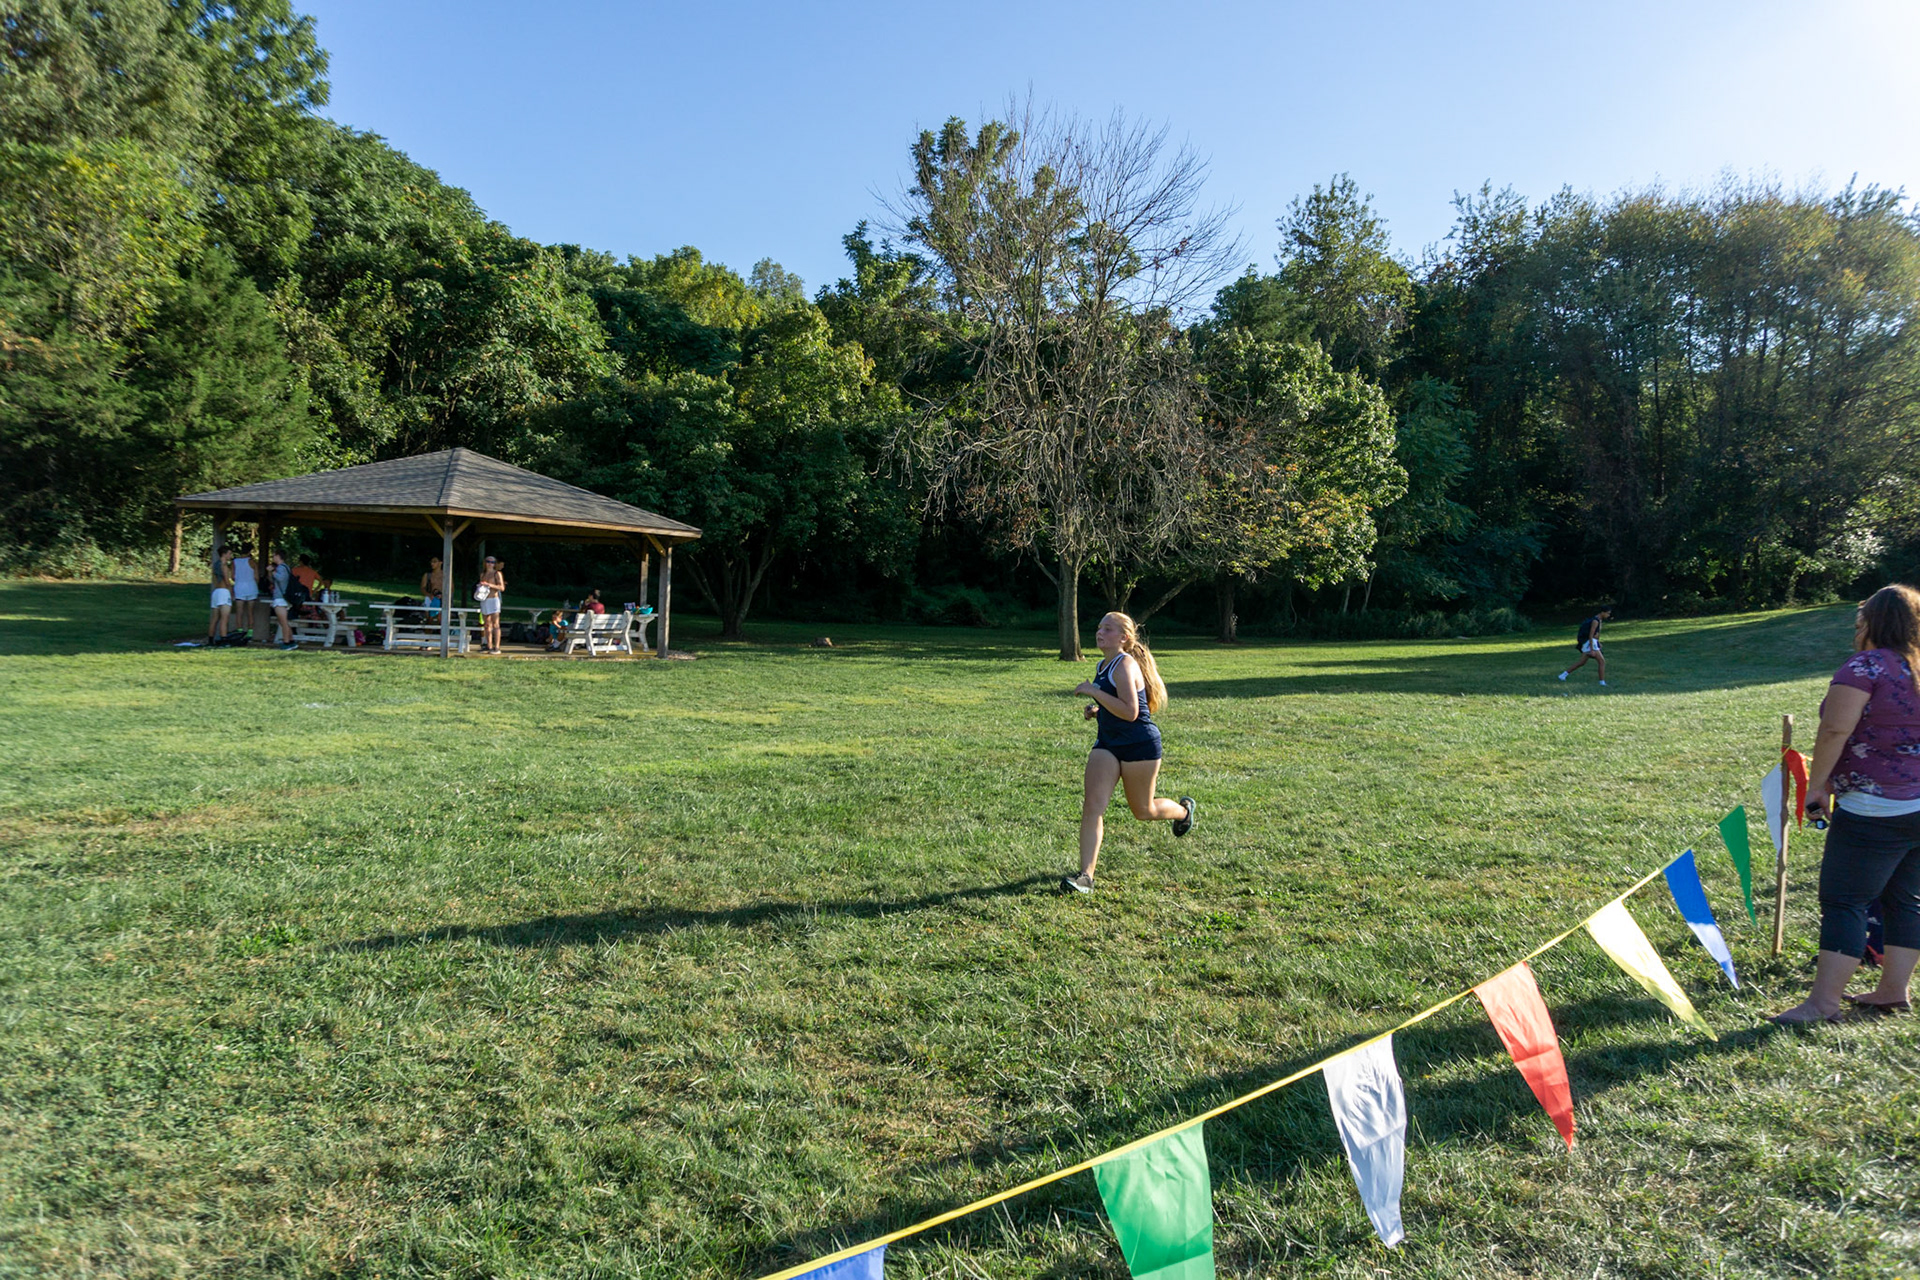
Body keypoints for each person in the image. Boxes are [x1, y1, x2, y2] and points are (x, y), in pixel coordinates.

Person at [1773, 584, 1920, 1024]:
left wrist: (1817, 786)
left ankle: (1822, 1004)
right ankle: (1892, 991)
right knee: (1906, 899)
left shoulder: (1864, 667)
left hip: (1875, 808)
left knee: (1844, 901)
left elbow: (1835, 730)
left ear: (1871, 622)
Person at [1061, 612, 1195, 894]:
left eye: (1108, 629)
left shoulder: (1124, 664)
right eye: (1099, 627)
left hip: (1139, 745)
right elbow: (1116, 706)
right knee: (1092, 806)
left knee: (1144, 811)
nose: (1100, 632)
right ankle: (1086, 876)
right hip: (1108, 744)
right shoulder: (1102, 665)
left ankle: (1183, 812)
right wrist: (1097, 711)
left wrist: (1094, 692)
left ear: (1123, 638)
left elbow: (1131, 712)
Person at [1558, 606, 1612, 685]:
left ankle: (1563, 675)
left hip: (1591, 642)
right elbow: (1591, 634)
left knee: (1581, 662)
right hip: (1590, 643)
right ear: (1602, 612)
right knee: (1602, 662)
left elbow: (1596, 634)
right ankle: (1602, 682)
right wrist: (1592, 649)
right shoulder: (1595, 621)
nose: (1608, 615)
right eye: (1607, 613)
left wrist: (1598, 642)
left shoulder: (1598, 620)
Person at [265, 549, 298, 649]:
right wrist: (270, 573)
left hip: (281, 598)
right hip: (283, 598)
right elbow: (273, 580)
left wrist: (273, 571)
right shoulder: (284, 567)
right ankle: (291, 640)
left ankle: (286, 642)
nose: (273, 558)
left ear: (278, 556)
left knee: (283, 622)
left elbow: (281, 579)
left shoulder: (281, 568)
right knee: (283, 621)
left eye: (274, 556)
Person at [230, 541, 260, 641]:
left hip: (239, 587)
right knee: (250, 612)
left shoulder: (235, 562)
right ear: (249, 551)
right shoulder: (252, 562)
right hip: (251, 587)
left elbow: (232, 576)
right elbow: (256, 577)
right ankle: (250, 632)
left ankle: (239, 631)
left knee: (239, 612)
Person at [476, 554, 505, 653]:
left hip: (494, 600)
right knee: (487, 624)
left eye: (492, 562)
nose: (489, 564)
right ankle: (488, 645)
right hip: (484, 600)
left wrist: (489, 585)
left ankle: (497, 647)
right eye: (488, 561)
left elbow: (501, 588)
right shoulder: (483, 574)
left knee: (495, 624)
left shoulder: (497, 574)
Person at [207, 546, 234, 644]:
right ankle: (223, 639)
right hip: (224, 592)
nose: (230, 556)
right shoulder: (224, 566)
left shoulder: (215, 565)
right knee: (224, 618)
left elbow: (214, 579)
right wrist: (231, 592)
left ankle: (211, 640)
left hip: (216, 592)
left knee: (214, 618)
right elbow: (227, 581)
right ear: (224, 554)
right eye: (229, 553)